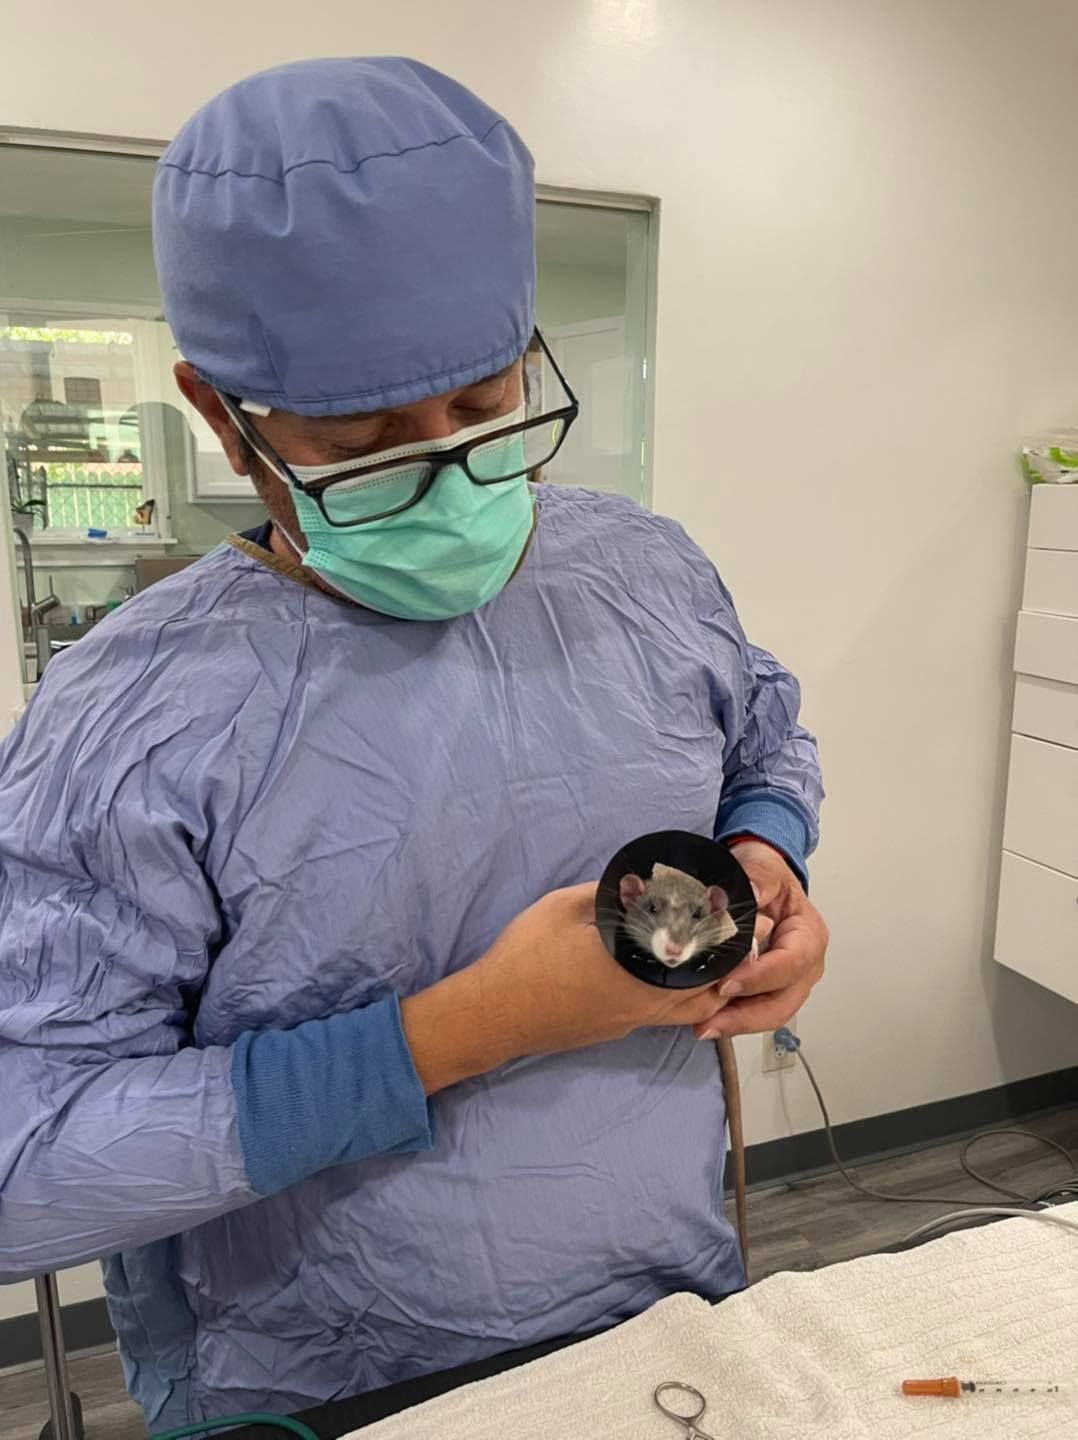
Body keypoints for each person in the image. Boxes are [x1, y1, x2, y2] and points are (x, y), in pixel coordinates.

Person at [0, 58, 826, 1430]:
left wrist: (766, 864)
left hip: (663, 1312)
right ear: (221, 413)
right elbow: (28, 1160)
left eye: (483, 409)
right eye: (365, 440)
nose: (447, 473)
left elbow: (765, 739)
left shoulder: (642, 572)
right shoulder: (128, 719)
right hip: (326, 1381)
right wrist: (465, 1031)